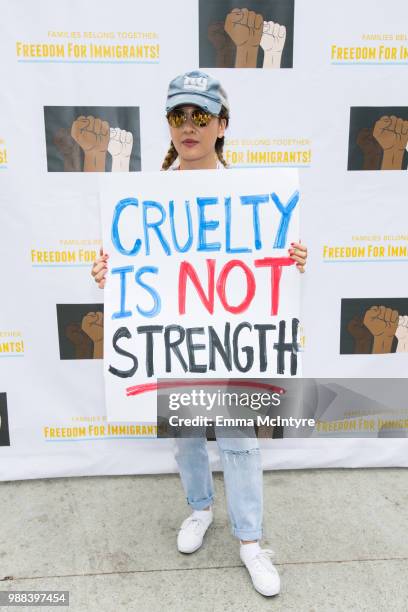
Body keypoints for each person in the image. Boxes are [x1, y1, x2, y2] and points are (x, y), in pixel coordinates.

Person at [91, 70, 308, 597]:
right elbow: (132, 262)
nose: (188, 126)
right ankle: (199, 509)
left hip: (226, 339)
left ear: (222, 125)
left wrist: (291, 257)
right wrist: (109, 274)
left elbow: (263, 262)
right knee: (186, 434)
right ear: (168, 125)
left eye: (200, 116)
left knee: (238, 439)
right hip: (174, 338)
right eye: (177, 116)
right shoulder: (148, 195)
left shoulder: (250, 193)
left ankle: (251, 541)